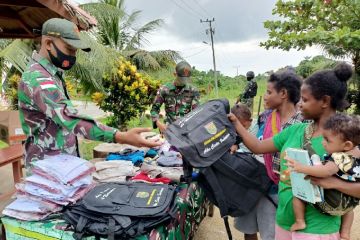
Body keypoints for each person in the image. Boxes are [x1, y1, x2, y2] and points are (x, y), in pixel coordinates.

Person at [228, 62, 358, 240]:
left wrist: (333, 183)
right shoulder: (296, 130)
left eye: (305, 100)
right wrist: (236, 123)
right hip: (284, 222)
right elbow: (257, 147)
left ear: (325, 102)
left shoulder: (344, 143)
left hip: (319, 229)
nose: (300, 105)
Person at [18, 18, 160, 167]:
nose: (73, 56)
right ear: (48, 43)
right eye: (69, 49)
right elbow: (69, 117)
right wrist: (120, 136)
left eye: (75, 51)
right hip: (47, 171)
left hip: (62, 166)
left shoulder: (51, 74)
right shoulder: (38, 78)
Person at [233, 70, 303, 240]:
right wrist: (235, 140)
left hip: (278, 192)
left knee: (270, 234)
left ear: (284, 94)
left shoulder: (301, 124)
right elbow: (255, 141)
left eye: (269, 92)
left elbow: (259, 146)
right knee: (248, 228)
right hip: (256, 183)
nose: (264, 96)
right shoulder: (265, 117)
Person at [286, 113, 360, 240]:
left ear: (346, 145)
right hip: (348, 202)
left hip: (330, 201)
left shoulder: (338, 157)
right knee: (349, 211)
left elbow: (325, 171)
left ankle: (300, 220)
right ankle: (346, 232)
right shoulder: (356, 153)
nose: (323, 143)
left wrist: (301, 167)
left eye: (327, 140)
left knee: (298, 196)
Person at [150, 61, 200, 132]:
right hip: (168, 130)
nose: (184, 81)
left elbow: (197, 112)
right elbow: (154, 109)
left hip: (186, 131)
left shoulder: (193, 91)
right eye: (182, 79)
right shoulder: (164, 89)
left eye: (186, 79)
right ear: (175, 74)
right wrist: (158, 123)